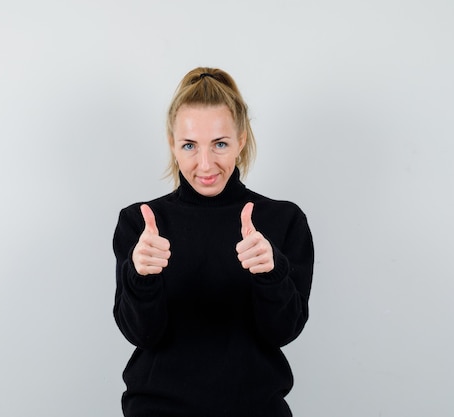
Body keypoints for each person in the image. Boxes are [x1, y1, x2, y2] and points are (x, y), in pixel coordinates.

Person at [112, 67, 314, 417]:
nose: (205, 164)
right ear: (173, 146)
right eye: (189, 145)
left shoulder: (283, 221)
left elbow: (283, 331)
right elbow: (141, 334)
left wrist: (271, 271)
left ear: (241, 140)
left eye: (220, 144)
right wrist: (140, 276)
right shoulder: (141, 224)